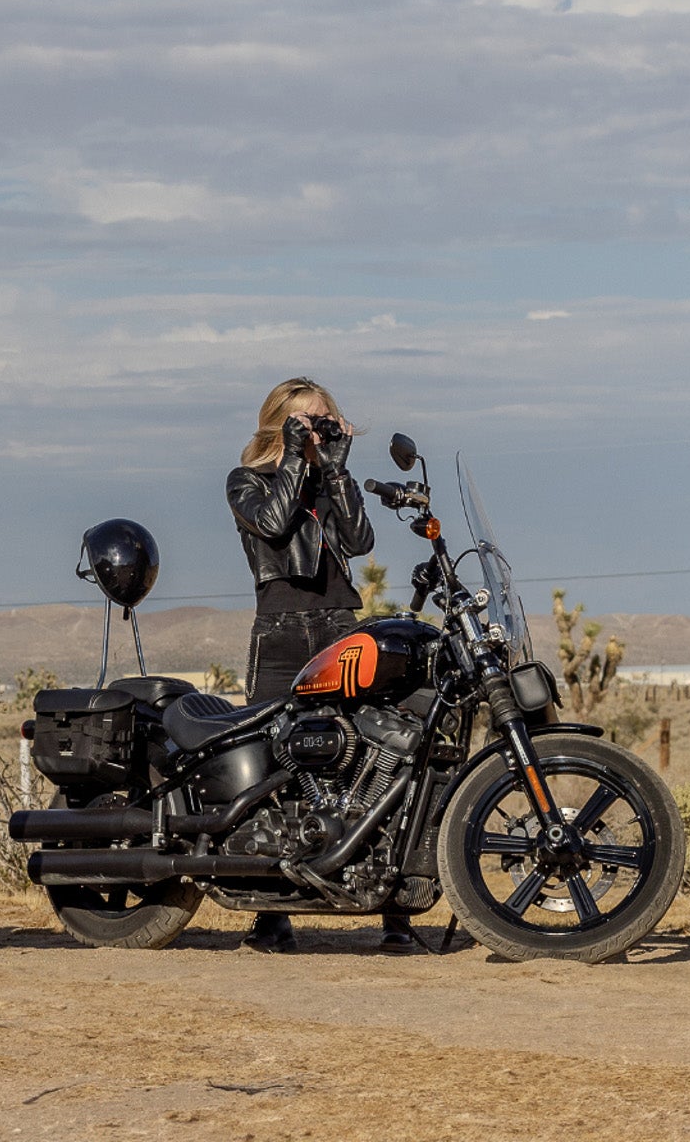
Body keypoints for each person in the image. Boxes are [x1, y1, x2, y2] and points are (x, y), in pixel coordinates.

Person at [226, 375, 417, 957]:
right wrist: (293, 456)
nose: (318, 430)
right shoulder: (246, 480)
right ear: (280, 422)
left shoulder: (330, 479)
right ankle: (270, 914)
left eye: (325, 419)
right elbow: (273, 524)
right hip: (281, 634)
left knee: (371, 761)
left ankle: (395, 911)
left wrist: (335, 468)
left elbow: (359, 543)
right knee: (268, 769)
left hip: (339, 626)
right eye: (307, 420)